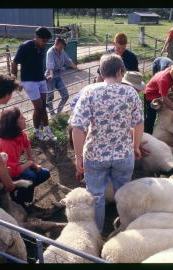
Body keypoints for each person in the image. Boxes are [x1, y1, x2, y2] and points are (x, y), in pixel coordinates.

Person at [69, 54, 144, 233]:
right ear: (120, 72)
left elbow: (77, 128)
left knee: (96, 197)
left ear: (101, 72)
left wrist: (78, 158)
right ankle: (125, 231)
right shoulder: (131, 92)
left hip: (95, 156)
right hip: (123, 155)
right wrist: (135, 147)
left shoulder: (90, 91)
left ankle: (97, 235)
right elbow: (139, 123)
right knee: (123, 194)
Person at [0, 107, 50, 210]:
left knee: (45, 173)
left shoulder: (20, 134)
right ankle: (21, 202)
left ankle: (21, 196)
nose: (25, 118)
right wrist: (30, 164)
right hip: (5, 175)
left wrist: (32, 162)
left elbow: (27, 145)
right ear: (14, 123)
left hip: (14, 167)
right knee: (30, 176)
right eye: (21, 118)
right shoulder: (6, 143)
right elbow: (12, 172)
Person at [12, 27, 56, 141]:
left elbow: (38, 64)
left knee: (43, 106)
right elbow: (14, 63)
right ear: (36, 37)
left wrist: (44, 77)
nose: (45, 44)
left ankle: (47, 129)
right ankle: (36, 131)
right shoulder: (25, 47)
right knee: (39, 107)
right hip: (29, 81)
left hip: (41, 80)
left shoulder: (41, 47)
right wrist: (15, 81)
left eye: (46, 41)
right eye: (43, 41)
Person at [144, 63, 173, 134]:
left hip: (159, 93)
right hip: (150, 95)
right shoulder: (164, 80)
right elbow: (165, 99)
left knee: (166, 110)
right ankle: (147, 134)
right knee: (150, 118)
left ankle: (163, 126)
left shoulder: (171, 70)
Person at [45, 37, 79, 117]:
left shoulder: (62, 51)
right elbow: (50, 66)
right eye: (60, 47)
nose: (61, 49)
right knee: (50, 97)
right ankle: (52, 114)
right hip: (50, 76)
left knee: (65, 95)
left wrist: (76, 68)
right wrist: (51, 76)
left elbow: (68, 60)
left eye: (63, 47)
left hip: (58, 75)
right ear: (56, 44)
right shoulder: (50, 52)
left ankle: (58, 113)